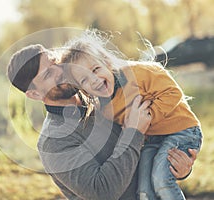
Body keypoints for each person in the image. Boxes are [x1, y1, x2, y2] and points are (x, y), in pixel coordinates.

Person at [7, 41, 197, 199]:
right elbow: (102, 192)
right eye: (48, 74)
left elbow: (152, 143)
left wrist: (178, 167)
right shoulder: (53, 143)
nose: (60, 70)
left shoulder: (102, 93)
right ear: (34, 94)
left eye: (55, 61)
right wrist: (133, 132)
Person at [60, 29, 202, 199]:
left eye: (96, 69)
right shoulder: (103, 108)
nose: (94, 80)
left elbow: (173, 93)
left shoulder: (138, 73)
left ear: (107, 62)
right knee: (144, 192)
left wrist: (147, 118)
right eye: (84, 80)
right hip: (151, 141)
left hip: (181, 130)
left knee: (162, 181)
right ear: (81, 89)